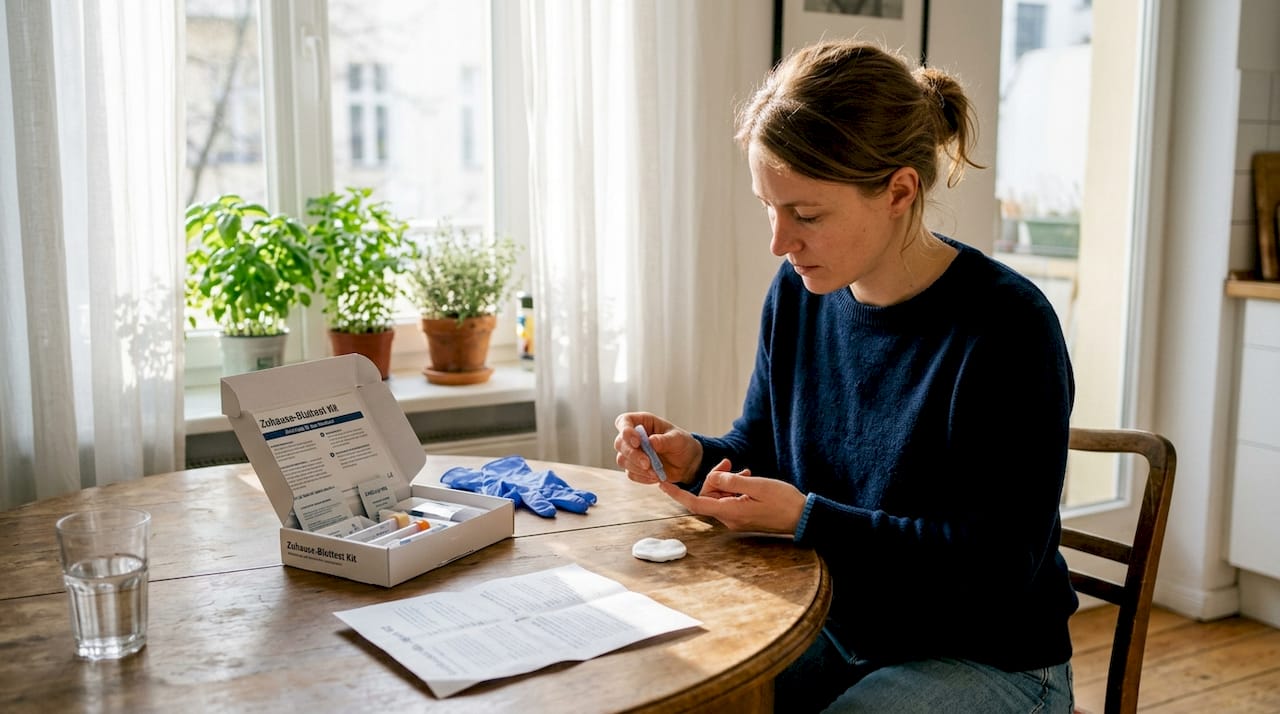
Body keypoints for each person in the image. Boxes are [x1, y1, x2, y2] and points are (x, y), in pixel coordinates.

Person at [613, 40, 1077, 713]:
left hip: (989, 657)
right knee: (679, 687)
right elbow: (760, 448)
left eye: (806, 215)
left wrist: (807, 520)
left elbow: (997, 568)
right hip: (835, 626)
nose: (779, 241)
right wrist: (693, 457)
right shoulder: (799, 293)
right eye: (768, 207)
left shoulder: (1007, 328)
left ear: (899, 191)